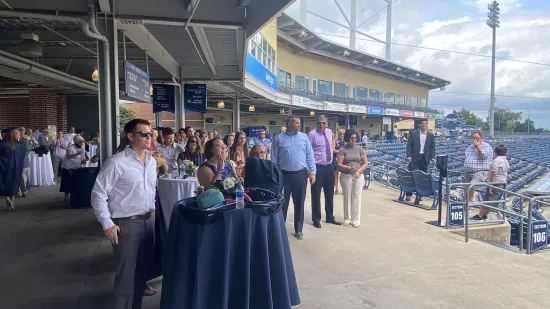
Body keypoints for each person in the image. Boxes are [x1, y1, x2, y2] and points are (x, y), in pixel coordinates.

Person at [91, 119, 158, 309]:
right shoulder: (117, 162)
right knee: (126, 275)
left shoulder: (151, 161)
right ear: (130, 136)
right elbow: (98, 194)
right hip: (127, 224)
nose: (149, 137)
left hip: (149, 221)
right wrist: (107, 223)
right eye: (144, 134)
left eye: (150, 133)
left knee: (142, 273)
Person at [272, 115, 316, 240]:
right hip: (283, 175)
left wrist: (312, 172)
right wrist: (275, 174)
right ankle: (280, 229)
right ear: (289, 124)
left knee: (299, 202)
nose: (299, 124)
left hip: (300, 174)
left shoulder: (304, 137)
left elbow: (310, 155)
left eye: (299, 122)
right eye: (297, 122)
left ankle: (299, 229)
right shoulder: (278, 139)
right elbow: (274, 158)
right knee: (282, 203)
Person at [307, 115, 341, 228]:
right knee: (316, 194)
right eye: (319, 123)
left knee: (329, 193)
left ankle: (330, 217)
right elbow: (308, 152)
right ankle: (316, 219)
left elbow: (331, 147)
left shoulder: (329, 132)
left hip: (329, 167)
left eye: (324, 123)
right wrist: (310, 171)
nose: (322, 125)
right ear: (316, 123)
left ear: (327, 123)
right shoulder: (312, 134)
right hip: (317, 168)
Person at [337, 129, 369, 228]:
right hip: (346, 175)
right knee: (347, 196)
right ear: (348, 138)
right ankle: (347, 218)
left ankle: (356, 219)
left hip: (358, 175)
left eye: (355, 138)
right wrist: (349, 168)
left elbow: (365, 163)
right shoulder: (343, 149)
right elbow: (339, 164)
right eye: (352, 138)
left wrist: (359, 171)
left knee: (357, 196)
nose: (354, 140)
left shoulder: (360, 149)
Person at [471, 144, 509, 221]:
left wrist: (491, 186)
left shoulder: (496, 161)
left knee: (488, 200)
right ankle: (484, 215)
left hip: (496, 183)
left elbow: (494, 174)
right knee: (492, 201)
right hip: (503, 183)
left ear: (495, 152)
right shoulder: (506, 161)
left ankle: (480, 215)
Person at [405, 119, 436, 201]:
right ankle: (408, 194)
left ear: (427, 125)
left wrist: (433, 157)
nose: (424, 125)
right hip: (414, 157)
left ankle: (420, 195)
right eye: (422, 123)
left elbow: (432, 148)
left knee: (422, 177)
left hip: (424, 158)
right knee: (411, 175)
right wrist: (408, 155)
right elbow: (409, 145)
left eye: (426, 123)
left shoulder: (431, 135)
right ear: (419, 125)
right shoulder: (413, 133)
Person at [463, 131, 493, 203]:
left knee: (472, 186)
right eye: (473, 138)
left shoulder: (486, 146)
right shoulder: (469, 147)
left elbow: (485, 155)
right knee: (467, 189)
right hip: (468, 172)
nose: (475, 140)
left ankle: (467, 205)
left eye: (477, 138)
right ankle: (465, 203)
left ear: (481, 138)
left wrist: (477, 146)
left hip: (481, 172)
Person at [0, 128, 26, 210]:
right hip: (16, 168)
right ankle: (12, 201)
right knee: (14, 184)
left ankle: (9, 201)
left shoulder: (2, 144)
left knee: (4, 184)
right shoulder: (20, 145)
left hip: (4, 167)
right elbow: (22, 157)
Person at [60, 135, 89, 202]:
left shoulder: (83, 147)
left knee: (76, 183)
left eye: (82, 141)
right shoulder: (71, 146)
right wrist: (78, 153)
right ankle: (66, 197)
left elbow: (86, 157)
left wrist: (84, 160)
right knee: (68, 182)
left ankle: (75, 196)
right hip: (68, 167)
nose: (81, 142)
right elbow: (69, 156)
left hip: (77, 168)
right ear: (76, 141)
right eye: (79, 141)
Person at [333, 129, 345, 195]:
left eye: (343, 134)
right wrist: (340, 151)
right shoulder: (336, 141)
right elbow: (333, 150)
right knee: (336, 175)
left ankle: (343, 189)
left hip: (344, 160)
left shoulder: (346, 142)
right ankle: (336, 189)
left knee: (343, 175)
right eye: (341, 134)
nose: (342, 135)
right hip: (336, 159)